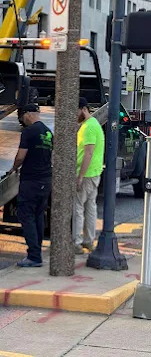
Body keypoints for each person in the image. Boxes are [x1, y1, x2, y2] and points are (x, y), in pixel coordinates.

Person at [8, 104, 53, 267]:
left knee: (26, 216)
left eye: (21, 119)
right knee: (38, 216)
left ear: (27, 115)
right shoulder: (48, 131)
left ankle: (34, 256)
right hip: (46, 180)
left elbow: (21, 156)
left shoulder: (29, 132)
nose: (22, 122)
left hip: (31, 180)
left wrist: (13, 168)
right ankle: (37, 252)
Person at [74, 97, 105, 255]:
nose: (75, 115)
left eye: (76, 111)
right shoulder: (94, 125)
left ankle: (77, 242)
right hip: (94, 173)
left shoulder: (88, 128)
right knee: (90, 207)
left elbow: (88, 152)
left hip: (86, 174)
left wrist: (80, 176)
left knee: (78, 207)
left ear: (83, 109)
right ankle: (88, 241)